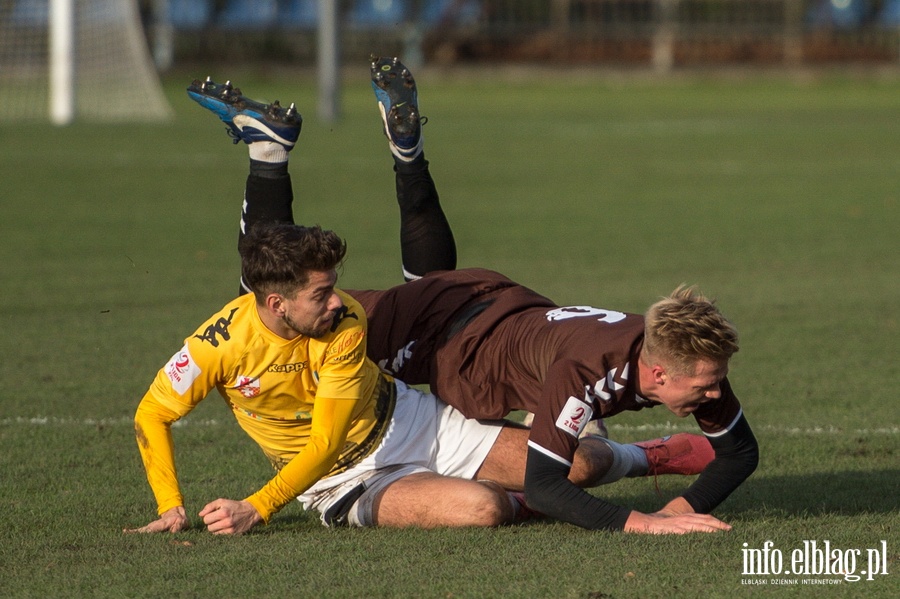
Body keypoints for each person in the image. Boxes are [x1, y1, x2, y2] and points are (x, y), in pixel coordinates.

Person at [125, 69, 710, 537]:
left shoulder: (346, 323)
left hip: (410, 421)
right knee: (482, 508)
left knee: (581, 463)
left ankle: (643, 457)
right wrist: (172, 506)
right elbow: (153, 413)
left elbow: (327, 433)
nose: (341, 301)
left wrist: (256, 505)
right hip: (340, 481)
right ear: (275, 303)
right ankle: (305, 155)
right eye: (321, 292)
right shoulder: (217, 344)